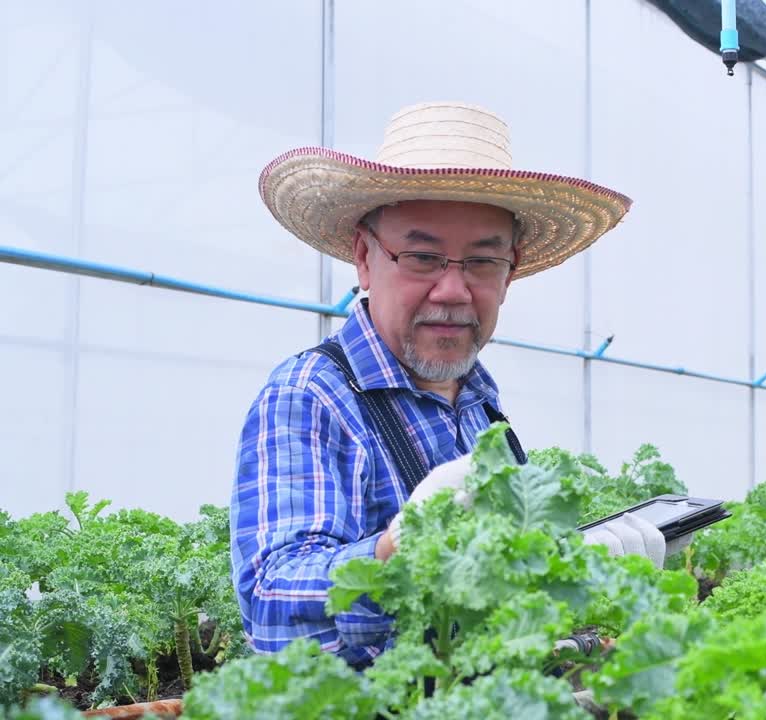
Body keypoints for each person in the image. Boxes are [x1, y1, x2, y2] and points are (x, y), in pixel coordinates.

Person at [231, 102, 683, 667]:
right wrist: (401, 550)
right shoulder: (312, 396)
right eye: (421, 257)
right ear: (364, 258)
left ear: (511, 270)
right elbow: (273, 607)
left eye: (481, 262)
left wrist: (574, 572)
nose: (453, 290)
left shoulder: (480, 401)